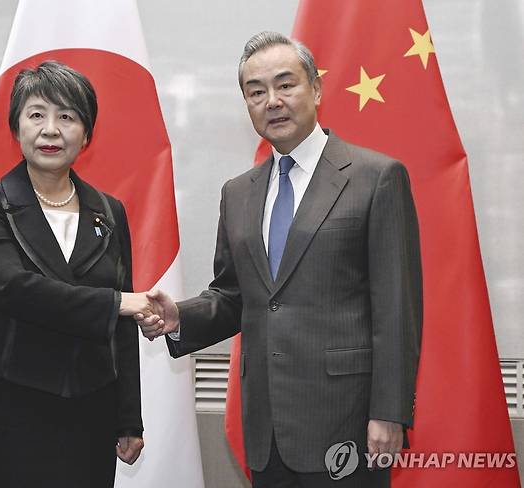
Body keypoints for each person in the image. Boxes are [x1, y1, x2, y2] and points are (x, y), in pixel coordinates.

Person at [137, 32, 422, 488]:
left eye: (286, 84)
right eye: (256, 91)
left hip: (346, 422)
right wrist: (179, 317)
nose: (272, 101)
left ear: (316, 89)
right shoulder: (238, 192)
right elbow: (234, 295)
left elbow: (397, 309)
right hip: (267, 426)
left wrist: (388, 413)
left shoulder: (376, 178)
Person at [0, 61, 149, 487]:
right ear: (16, 128)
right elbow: (15, 289)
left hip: (91, 407)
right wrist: (117, 302)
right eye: (36, 115)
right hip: (11, 406)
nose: (51, 130)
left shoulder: (109, 211)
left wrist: (129, 418)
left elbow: (122, 331)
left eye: (67, 116)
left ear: (86, 134)